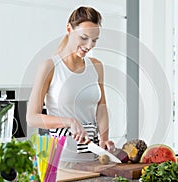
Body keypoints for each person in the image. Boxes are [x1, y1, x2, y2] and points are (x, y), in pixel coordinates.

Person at [26, 6, 115, 166]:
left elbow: (101, 106)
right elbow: (32, 118)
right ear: (69, 29)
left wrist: (104, 138)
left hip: (93, 159)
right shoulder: (50, 67)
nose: (89, 45)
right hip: (61, 161)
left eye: (94, 40)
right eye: (84, 37)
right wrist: (69, 122)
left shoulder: (96, 66)